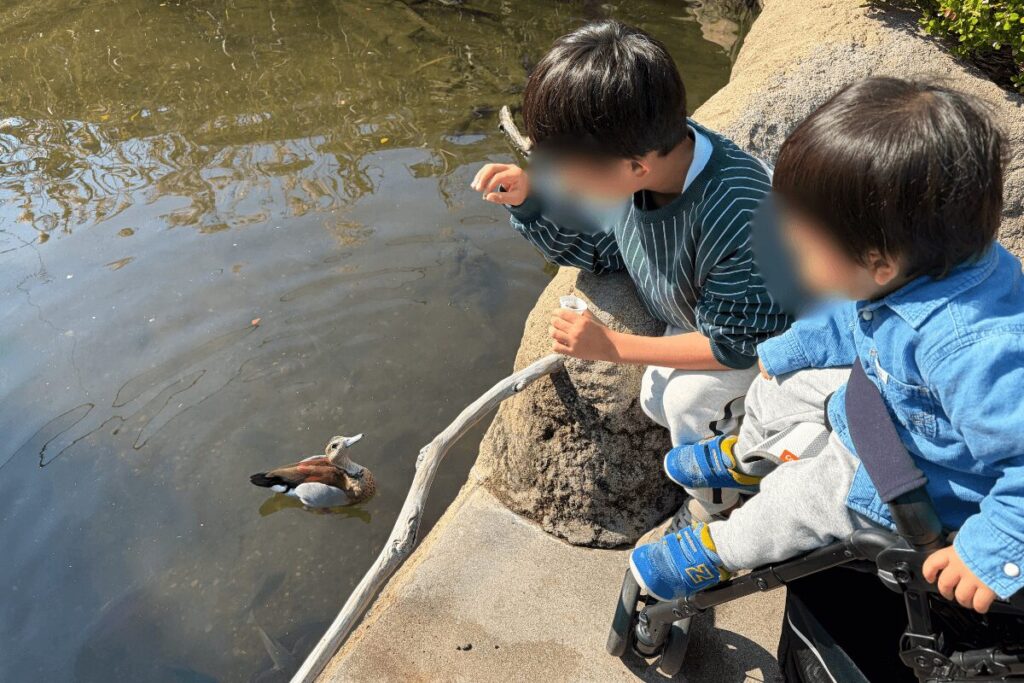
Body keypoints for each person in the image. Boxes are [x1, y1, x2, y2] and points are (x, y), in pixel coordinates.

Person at [630, 77, 1024, 615]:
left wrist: (993, 553)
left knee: (800, 499)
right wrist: (787, 351)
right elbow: (853, 317)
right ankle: (748, 455)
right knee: (777, 385)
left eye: (807, 247)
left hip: (910, 476)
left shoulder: (973, 350)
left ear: (879, 261)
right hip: (891, 403)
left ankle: (722, 547)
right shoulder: (917, 264)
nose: (794, 255)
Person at [471, 20, 789, 519]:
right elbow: (604, 248)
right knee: (657, 397)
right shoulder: (647, 163)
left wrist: (612, 347)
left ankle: (723, 507)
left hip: (772, 337)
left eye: (565, 168)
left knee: (686, 400)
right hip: (703, 314)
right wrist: (532, 202)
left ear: (633, 167)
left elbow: (736, 346)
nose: (560, 181)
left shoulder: (741, 215)